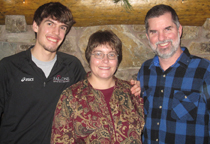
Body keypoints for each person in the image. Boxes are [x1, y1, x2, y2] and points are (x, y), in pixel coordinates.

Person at [0, 2, 141, 143]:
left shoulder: (71, 66)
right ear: (36, 26)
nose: (56, 32)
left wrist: (130, 87)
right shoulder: (8, 67)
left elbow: (93, 87)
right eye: (50, 24)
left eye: (62, 27)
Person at [137, 4, 210, 144]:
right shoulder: (145, 70)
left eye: (168, 29)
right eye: (154, 32)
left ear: (179, 30)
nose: (162, 38)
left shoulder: (205, 71)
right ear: (147, 37)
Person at [51, 30, 145, 144]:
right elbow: (60, 140)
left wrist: (145, 89)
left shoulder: (132, 92)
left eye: (111, 54)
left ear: (117, 59)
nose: (105, 60)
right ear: (89, 57)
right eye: (98, 54)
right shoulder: (71, 97)